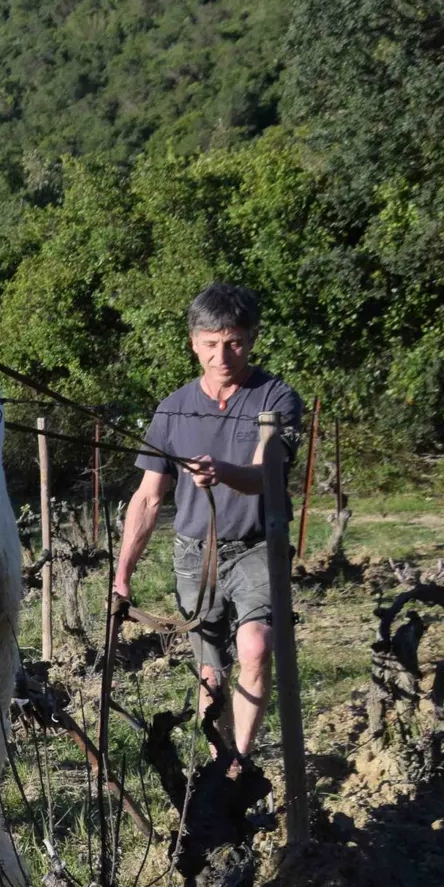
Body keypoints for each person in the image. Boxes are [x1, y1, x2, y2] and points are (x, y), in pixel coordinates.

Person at [111, 283, 304, 758]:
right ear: (193, 343)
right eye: (211, 343)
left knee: (256, 647)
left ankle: (240, 761)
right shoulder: (172, 409)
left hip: (258, 545)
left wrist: (223, 473)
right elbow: (148, 498)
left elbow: (267, 475)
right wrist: (122, 576)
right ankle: (221, 765)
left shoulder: (276, 398)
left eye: (234, 342)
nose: (222, 356)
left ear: (252, 339)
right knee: (210, 673)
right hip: (194, 554)